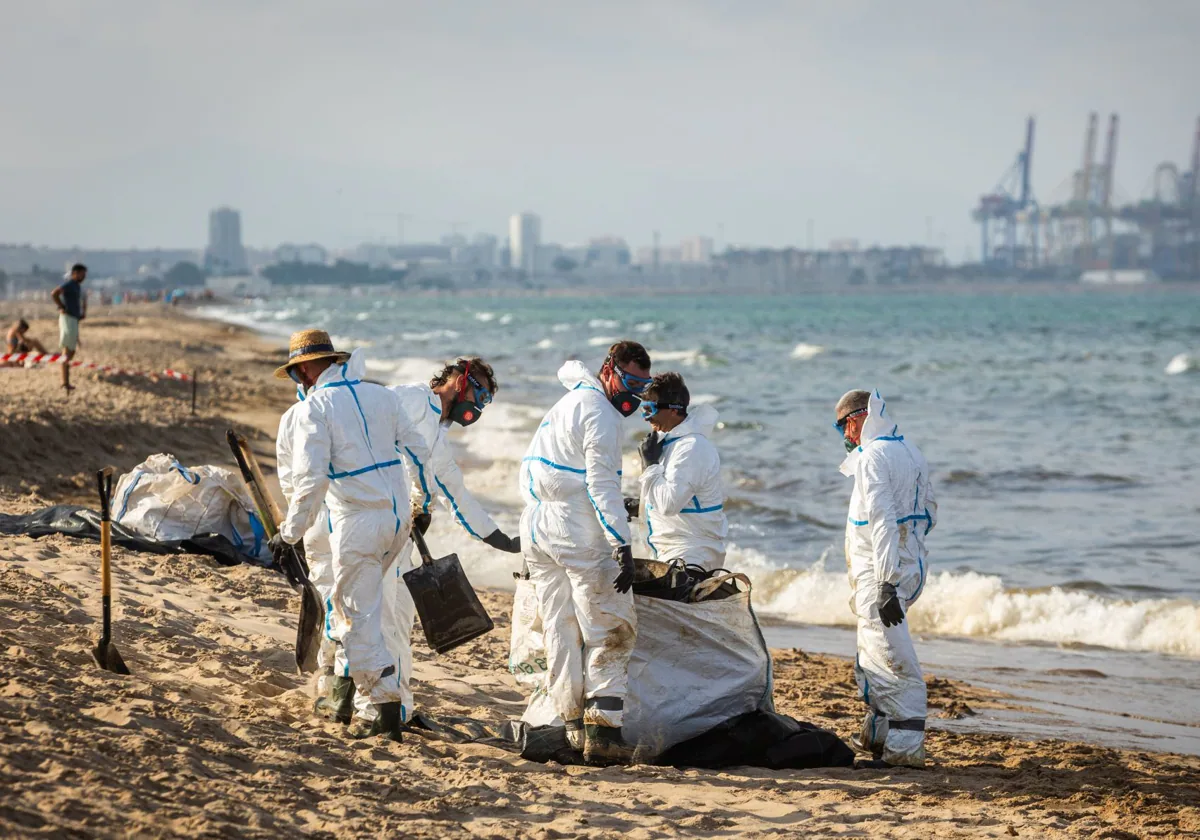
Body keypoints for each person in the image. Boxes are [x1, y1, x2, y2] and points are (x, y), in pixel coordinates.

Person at [271, 329, 434, 742]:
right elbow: (418, 452)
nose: (299, 382)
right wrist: (422, 503)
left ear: (306, 369)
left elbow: (309, 481)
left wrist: (289, 533)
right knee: (365, 611)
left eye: (297, 375)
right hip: (398, 522)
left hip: (357, 523)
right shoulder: (383, 396)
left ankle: (386, 712)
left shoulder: (314, 409)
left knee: (353, 619)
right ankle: (350, 700)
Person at [518, 341, 651, 765]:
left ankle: (567, 724)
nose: (634, 392)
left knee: (559, 626)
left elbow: (530, 468)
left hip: (537, 525)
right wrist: (621, 543)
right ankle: (604, 736)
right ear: (609, 370)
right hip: (576, 529)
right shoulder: (601, 413)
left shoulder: (566, 403)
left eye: (642, 386)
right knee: (610, 625)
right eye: (630, 381)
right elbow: (601, 485)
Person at [835, 388, 937, 768]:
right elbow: (930, 511)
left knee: (893, 660)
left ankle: (904, 751)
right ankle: (876, 735)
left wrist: (886, 581)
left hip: (882, 572)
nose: (844, 437)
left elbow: (881, 521)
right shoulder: (909, 450)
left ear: (855, 419)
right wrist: (906, 564)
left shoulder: (874, 457)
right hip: (908, 564)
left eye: (842, 426)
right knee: (871, 655)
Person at [627, 371, 728, 571]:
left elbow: (668, 504)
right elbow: (679, 498)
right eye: (643, 410)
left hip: (692, 556)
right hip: (670, 552)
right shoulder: (671, 443)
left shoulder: (692, 448)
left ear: (674, 410)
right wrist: (639, 506)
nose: (647, 418)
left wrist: (650, 464)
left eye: (651, 409)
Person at [50, 264, 87, 391]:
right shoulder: (70, 284)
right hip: (68, 318)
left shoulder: (76, 286)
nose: (83, 277)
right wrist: (61, 306)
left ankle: (66, 380)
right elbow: (54, 293)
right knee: (67, 350)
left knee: (72, 350)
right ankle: (64, 382)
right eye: (82, 274)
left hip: (74, 319)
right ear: (75, 273)